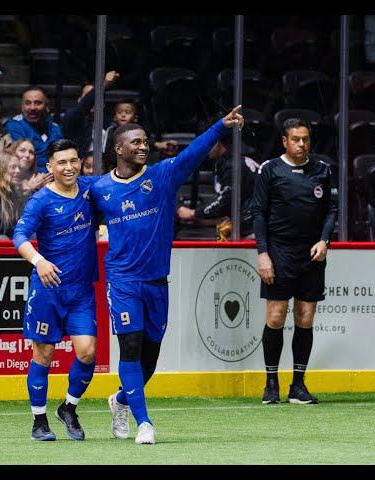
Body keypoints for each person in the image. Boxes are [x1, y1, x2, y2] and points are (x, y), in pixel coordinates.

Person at [90, 106, 244, 444]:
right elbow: (72, 209)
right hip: (123, 281)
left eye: (145, 142)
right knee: (129, 347)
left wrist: (220, 126)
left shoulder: (162, 176)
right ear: (118, 148)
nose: (144, 147)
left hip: (158, 281)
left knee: (150, 360)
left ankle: (120, 400)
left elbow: (193, 153)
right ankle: (143, 422)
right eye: (136, 142)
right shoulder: (99, 189)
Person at [13, 139, 100, 441]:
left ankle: (69, 408)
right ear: (49, 167)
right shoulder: (41, 201)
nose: (69, 167)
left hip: (81, 291)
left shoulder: (90, 189)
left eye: (73, 161)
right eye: (61, 162)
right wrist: (38, 261)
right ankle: (39, 421)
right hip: (48, 290)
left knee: (88, 352)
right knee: (44, 354)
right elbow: (19, 235)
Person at [250, 118, 338, 405]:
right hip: (279, 252)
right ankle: (271, 383)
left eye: (306, 139)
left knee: (305, 318)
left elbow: (331, 211)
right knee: (275, 317)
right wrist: (263, 253)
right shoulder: (270, 170)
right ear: (284, 142)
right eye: (296, 139)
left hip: (312, 253)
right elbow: (259, 213)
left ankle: (298, 385)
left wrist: (325, 240)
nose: (302, 144)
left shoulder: (322, 170)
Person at [176, 135, 259, 237]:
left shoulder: (232, 166)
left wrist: (193, 213)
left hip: (256, 229)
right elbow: (232, 206)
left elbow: (225, 203)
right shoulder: (229, 163)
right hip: (253, 223)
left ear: (217, 143)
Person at [102, 99, 179, 172]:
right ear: (114, 117)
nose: (123, 115)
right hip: (115, 167)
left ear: (135, 118)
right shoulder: (111, 131)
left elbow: (148, 145)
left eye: (127, 112)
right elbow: (106, 153)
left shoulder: (140, 131)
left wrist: (161, 145)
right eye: (119, 112)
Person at [60, 70, 120, 157]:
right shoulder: (72, 119)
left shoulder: (110, 125)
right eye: (88, 97)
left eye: (97, 98)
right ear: (79, 100)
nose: (93, 102)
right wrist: (103, 84)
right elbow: (82, 108)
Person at [6, 86, 63, 173]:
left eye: (38, 103)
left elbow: (61, 159)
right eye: (28, 103)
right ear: (22, 107)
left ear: (46, 106)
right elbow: (23, 162)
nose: (32, 108)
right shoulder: (15, 126)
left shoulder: (55, 129)